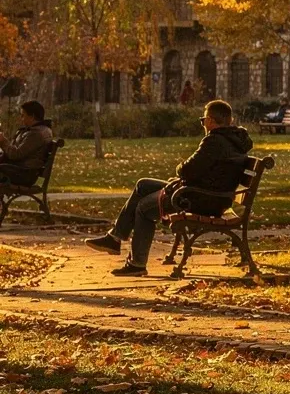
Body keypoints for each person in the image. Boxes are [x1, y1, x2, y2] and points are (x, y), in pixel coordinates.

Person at [86, 100, 253, 277]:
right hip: (211, 195)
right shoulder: (234, 140)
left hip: (198, 199)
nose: (203, 124)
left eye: (203, 120)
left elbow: (186, 170)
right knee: (143, 185)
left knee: (143, 209)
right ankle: (114, 237)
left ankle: (137, 263)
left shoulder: (214, 141)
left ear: (211, 121)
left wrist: (181, 169)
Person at [0, 101, 54, 186]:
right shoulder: (39, 130)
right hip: (22, 170)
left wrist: (3, 142)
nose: (21, 118)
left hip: (24, 174)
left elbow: (16, 154)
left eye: (23, 115)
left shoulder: (36, 134)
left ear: (32, 117)